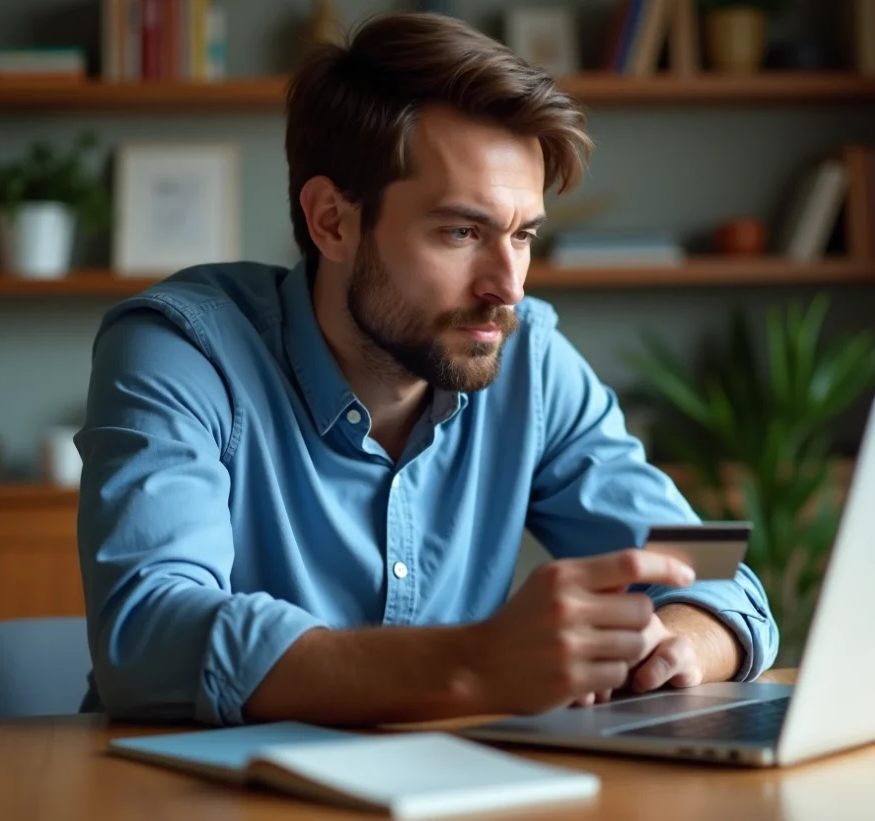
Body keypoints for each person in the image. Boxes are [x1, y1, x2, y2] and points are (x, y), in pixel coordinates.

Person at [76, 11, 778, 727]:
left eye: (523, 236)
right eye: (462, 231)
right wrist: (477, 662)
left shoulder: (528, 354)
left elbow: (713, 567)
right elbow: (147, 635)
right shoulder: (181, 349)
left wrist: (683, 643)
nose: (509, 286)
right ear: (332, 221)